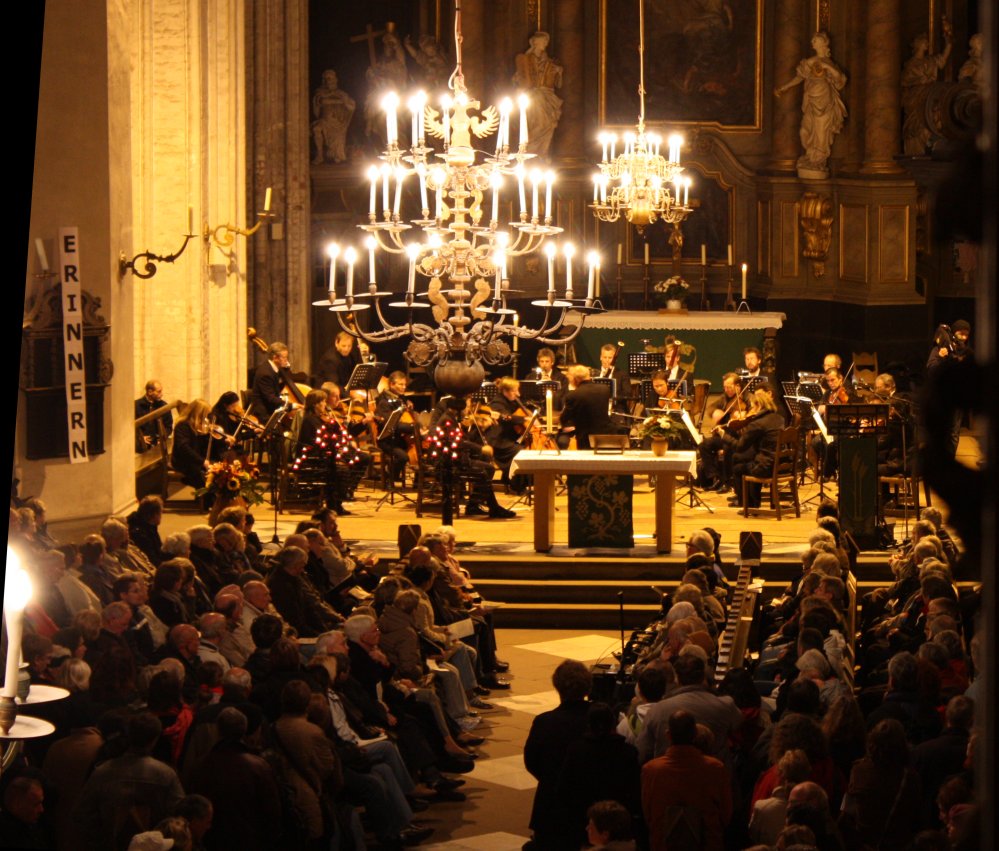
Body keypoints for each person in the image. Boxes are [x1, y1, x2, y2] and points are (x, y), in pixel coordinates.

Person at [523, 660, 592, 850]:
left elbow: (531, 761)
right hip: (592, 798)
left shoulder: (544, 722)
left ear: (557, 687)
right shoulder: (600, 717)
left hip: (552, 800)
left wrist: (550, 777)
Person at [641, 710, 732, 851]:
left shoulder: (651, 770)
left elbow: (648, 815)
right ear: (695, 734)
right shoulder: (715, 768)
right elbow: (726, 814)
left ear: (668, 735)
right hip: (708, 844)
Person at [774, 31, 847, 177]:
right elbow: (799, 78)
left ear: (824, 44)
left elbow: (840, 80)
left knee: (821, 133)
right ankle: (810, 156)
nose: (813, 41)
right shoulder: (809, 62)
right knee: (804, 131)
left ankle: (818, 160)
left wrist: (828, 68)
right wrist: (784, 87)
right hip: (811, 101)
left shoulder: (830, 63)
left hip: (825, 102)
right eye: (813, 40)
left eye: (816, 40)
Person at [901, 20, 953, 155]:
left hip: (929, 100)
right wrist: (921, 80)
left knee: (930, 125)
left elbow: (943, 59)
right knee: (916, 127)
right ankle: (916, 153)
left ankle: (929, 149)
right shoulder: (911, 64)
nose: (927, 43)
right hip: (915, 100)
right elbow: (905, 81)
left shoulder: (930, 61)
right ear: (917, 44)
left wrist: (948, 41)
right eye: (924, 41)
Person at [728, 388, 785, 509]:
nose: (751, 410)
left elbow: (740, 446)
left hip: (766, 467)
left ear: (759, 405)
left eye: (753, 407)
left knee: (738, 468)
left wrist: (724, 435)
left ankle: (747, 504)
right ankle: (754, 501)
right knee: (746, 460)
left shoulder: (758, 423)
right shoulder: (779, 418)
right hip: (780, 464)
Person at [512, 31, 563, 157]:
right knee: (537, 123)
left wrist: (560, 73)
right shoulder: (525, 60)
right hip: (533, 96)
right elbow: (518, 79)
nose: (545, 44)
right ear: (534, 42)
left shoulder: (551, 63)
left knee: (549, 124)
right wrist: (518, 79)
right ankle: (530, 152)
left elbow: (559, 85)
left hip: (547, 96)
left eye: (546, 41)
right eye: (543, 41)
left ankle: (541, 153)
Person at [927, 319, 973, 457]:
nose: (963, 337)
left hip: (958, 397)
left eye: (966, 334)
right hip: (941, 397)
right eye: (960, 333)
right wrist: (941, 357)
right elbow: (931, 369)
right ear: (954, 333)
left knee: (954, 432)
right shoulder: (940, 348)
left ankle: (950, 460)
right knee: (941, 430)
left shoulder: (967, 352)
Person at [698, 372, 745, 491]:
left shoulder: (747, 397)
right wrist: (714, 412)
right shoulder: (724, 398)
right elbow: (711, 408)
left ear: (738, 386)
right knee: (704, 445)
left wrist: (742, 415)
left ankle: (727, 482)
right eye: (725, 387)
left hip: (738, 437)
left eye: (729, 387)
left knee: (727, 447)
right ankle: (715, 477)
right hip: (724, 434)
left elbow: (753, 411)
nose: (726, 390)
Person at [374, 371, 418, 483]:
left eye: (404, 385)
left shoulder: (400, 399)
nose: (404, 387)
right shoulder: (384, 402)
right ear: (392, 384)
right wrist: (412, 427)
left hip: (400, 438)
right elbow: (392, 425)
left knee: (423, 446)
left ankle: (419, 481)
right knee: (402, 457)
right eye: (400, 384)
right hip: (387, 440)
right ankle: (390, 477)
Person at [558, 365, 613, 450]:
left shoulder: (573, 395)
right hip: (604, 435)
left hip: (585, 438)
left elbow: (564, 418)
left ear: (576, 379)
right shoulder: (605, 389)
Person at [310, 69, 355, 164]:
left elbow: (351, 106)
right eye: (326, 79)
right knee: (316, 129)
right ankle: (319, 155)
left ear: (335, 80)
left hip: (338, 123)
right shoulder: (320, 92)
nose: (328, 81)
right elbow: (322, 101)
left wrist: (344, 102)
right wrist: (339, 101)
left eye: (330, 78)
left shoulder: (341, 93)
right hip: (325, 120)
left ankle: (336, 156)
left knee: (337, 155)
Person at [170, 400, 213, 489]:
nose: (206, 419)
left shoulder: (198, 426)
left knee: (218, 470)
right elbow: (184, 448)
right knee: (206, 478)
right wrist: (202, 461)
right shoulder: (182, 425)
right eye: (205, 416)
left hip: (194, 460)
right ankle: (205, 499)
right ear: (198, 414)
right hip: (184, 462)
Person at [250, 341, 298, 418]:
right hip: (264, 414)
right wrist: (292, 405)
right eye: (284, 357)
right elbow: (271, 398)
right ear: (275, 357)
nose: (286, 360)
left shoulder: (274, 368)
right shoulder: (265, 373)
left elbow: (278, 388)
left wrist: (286, 369)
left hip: (271, 409)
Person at [136, 380, 172, 451]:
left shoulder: (164, 406)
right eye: (159, 391)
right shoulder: (136, 406)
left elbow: (169, 427)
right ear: (150, 392)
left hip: (159, 446)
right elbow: (130, 428)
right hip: (142, 447)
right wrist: (139, 438)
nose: (161, 394)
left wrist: (162, 437)